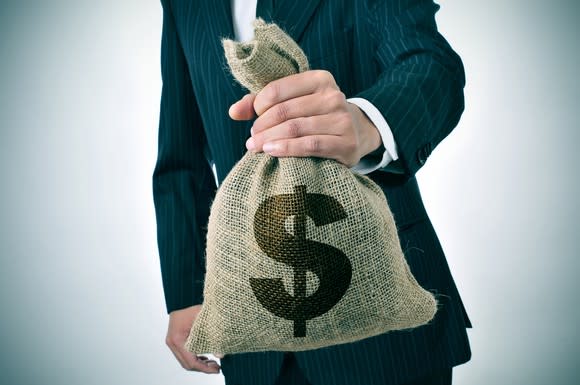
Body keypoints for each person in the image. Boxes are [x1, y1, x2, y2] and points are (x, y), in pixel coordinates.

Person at [152, 1, 472, 384]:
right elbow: (181, 156)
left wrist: (368, 121)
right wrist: (186, 292)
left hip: (387, 331)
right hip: (250, 338)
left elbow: (431, 64)